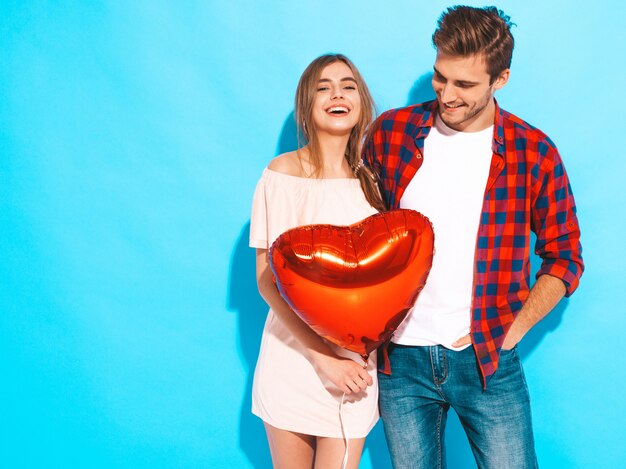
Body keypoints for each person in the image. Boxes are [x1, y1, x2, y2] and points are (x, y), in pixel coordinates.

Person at [362, 6, 584, 468]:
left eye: (465, 85)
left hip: (485, 358)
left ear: (500, 79)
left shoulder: (532, 152)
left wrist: (512, 330)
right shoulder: (392, 134)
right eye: (440, 77)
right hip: (400, 362)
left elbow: (565, 257)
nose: (446, 95)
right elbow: (361, 235)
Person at [249, 54, 386, 469]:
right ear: (307, 105)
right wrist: (322, 357)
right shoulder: (281, 174)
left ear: (360, 101)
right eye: (323, 87)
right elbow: (266, 281)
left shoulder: (373, 186)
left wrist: (347, 359)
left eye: (348, 85)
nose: (337, 94)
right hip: (292, 358)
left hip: (353, 369)